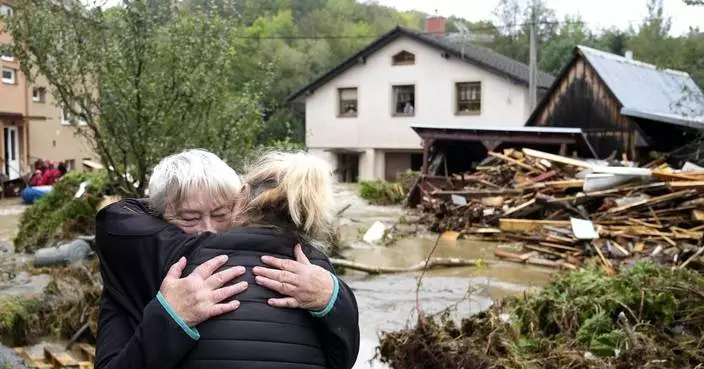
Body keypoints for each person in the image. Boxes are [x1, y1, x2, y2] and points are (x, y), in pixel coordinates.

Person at [94, 149, 360, 369]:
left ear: (240, 204)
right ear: (155, 219)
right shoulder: (136, 267)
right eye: (189, 218)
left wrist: (332, 297)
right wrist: (170, 319)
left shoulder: (310, 273)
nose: (207, 229)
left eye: (221, 214)